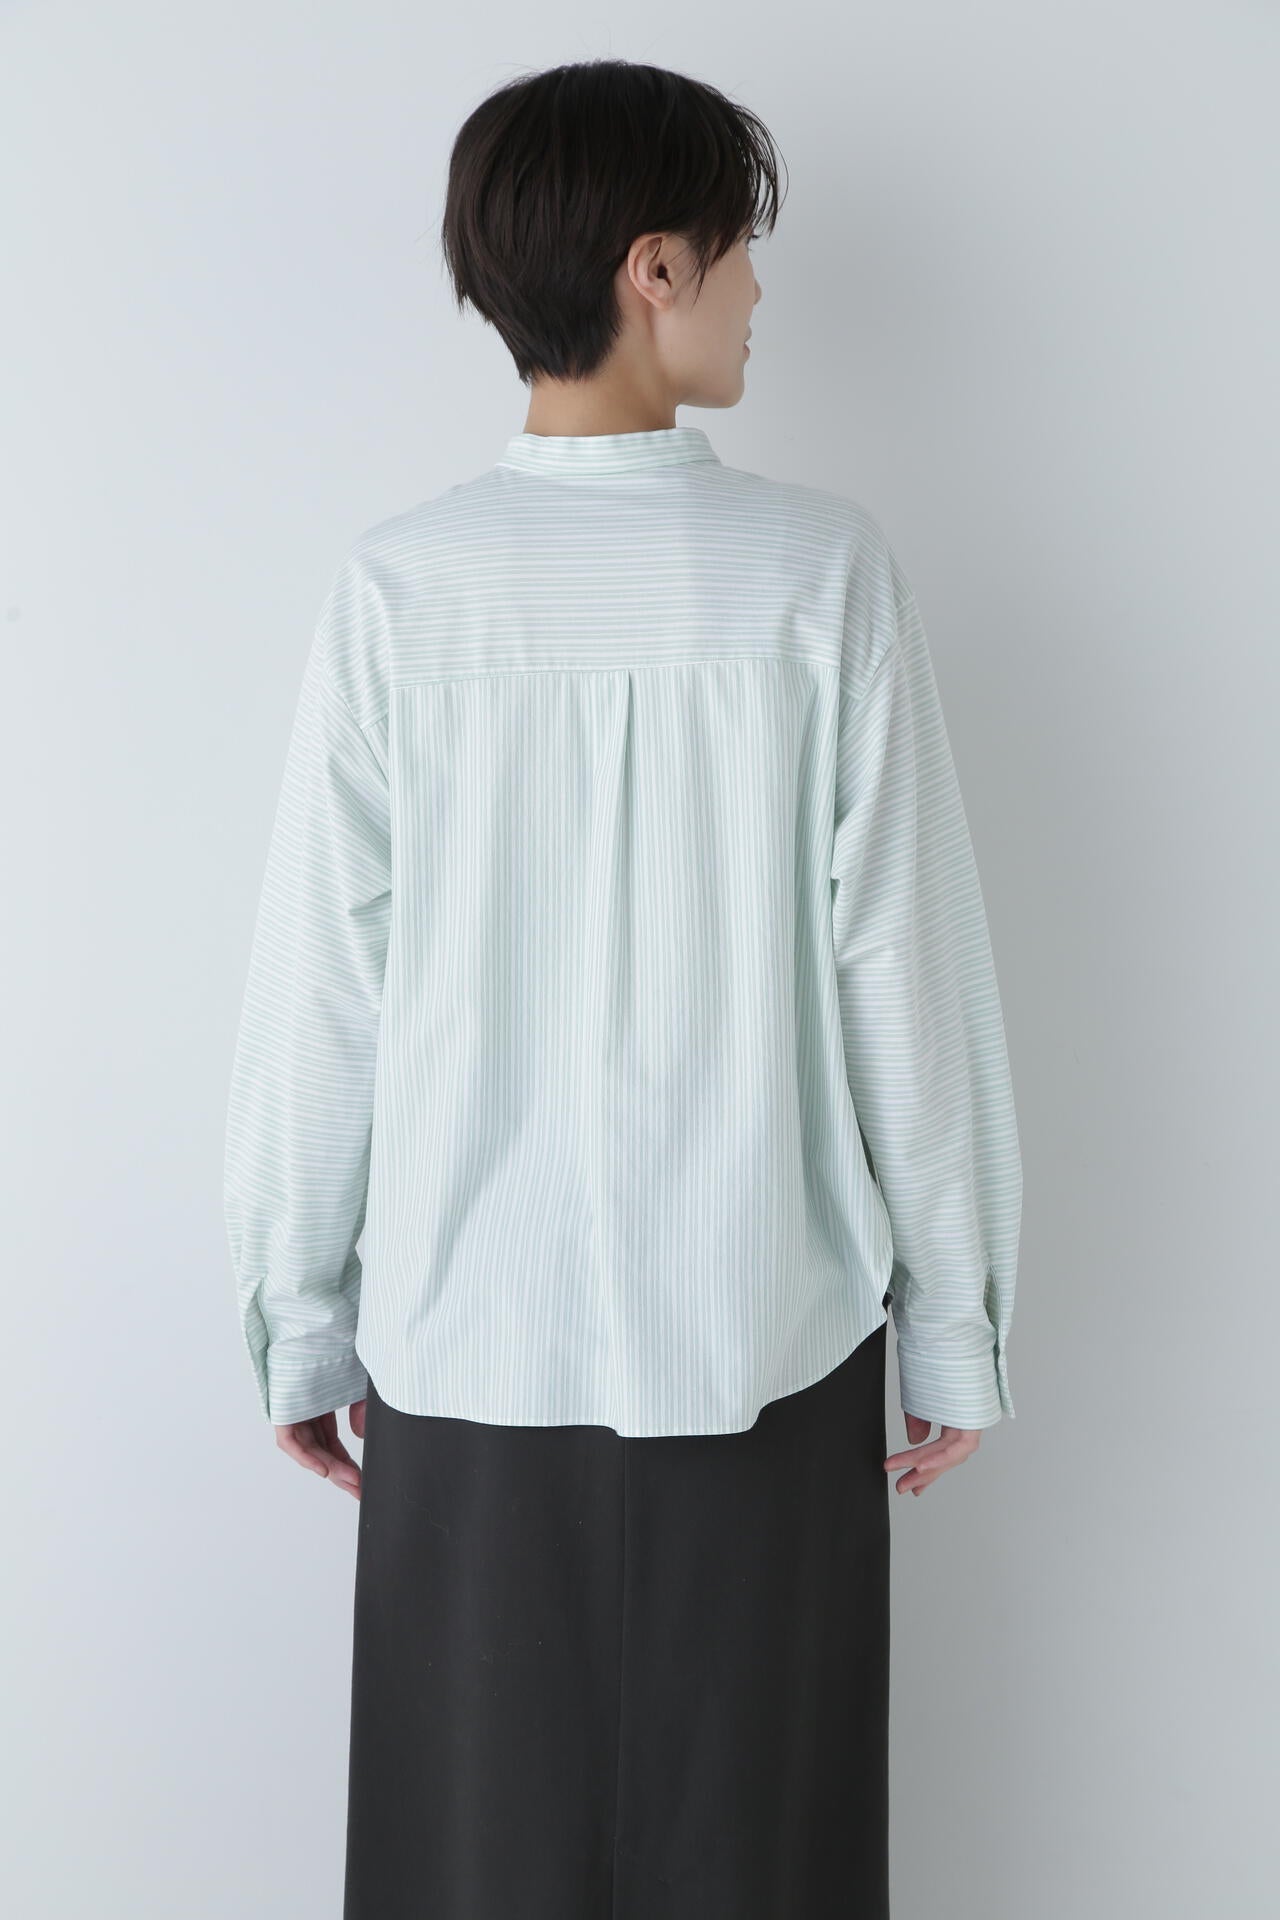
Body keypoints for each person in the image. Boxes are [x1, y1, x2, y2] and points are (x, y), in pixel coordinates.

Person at [222, 56, 1022, 1920]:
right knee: (766, 1870)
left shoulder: (402, 592)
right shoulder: (820, 578)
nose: (760, 289)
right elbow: (908, 973)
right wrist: (958, 1322)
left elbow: (319, 990)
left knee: (467, 1873)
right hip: (768, 1358)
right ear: (655, 269)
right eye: (741, 249)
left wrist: (298, 1318)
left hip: (465, 1367)